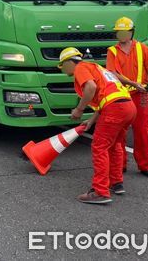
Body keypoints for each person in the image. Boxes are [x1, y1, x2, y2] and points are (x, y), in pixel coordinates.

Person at [58, 47, 136, 204]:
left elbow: (91, 88)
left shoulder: (81, 67)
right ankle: (116, 183)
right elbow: (106, 99)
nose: (63, 70)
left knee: (99, 147)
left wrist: (79, 110)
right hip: (128, 107)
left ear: (69, 62)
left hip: (115, 109)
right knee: (114, 146)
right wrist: (91, 120)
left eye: (62, 66)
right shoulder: (97, 68)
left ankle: (100, 191)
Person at [106, 17, 148, 180]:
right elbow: (113, 74)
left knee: (142, 130)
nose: (121, 35)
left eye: (124, 32)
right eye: (119, 33)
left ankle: (145, 165)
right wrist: (133, 83)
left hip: (141, 94)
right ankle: (120, 164)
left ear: (131, 32)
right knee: (119, 132)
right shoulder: (112, 51)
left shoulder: (143, 49)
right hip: (122, 95)